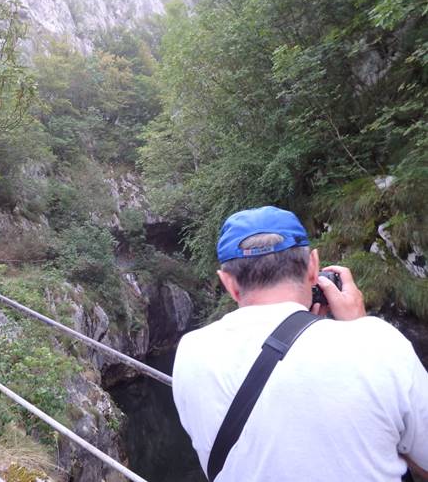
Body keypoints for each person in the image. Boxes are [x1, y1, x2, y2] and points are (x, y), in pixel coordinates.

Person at [172, 205, 428, 480]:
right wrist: (359, 326)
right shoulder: (378, 343)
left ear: (228, 283)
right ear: (313, 266)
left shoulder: (190, 352)